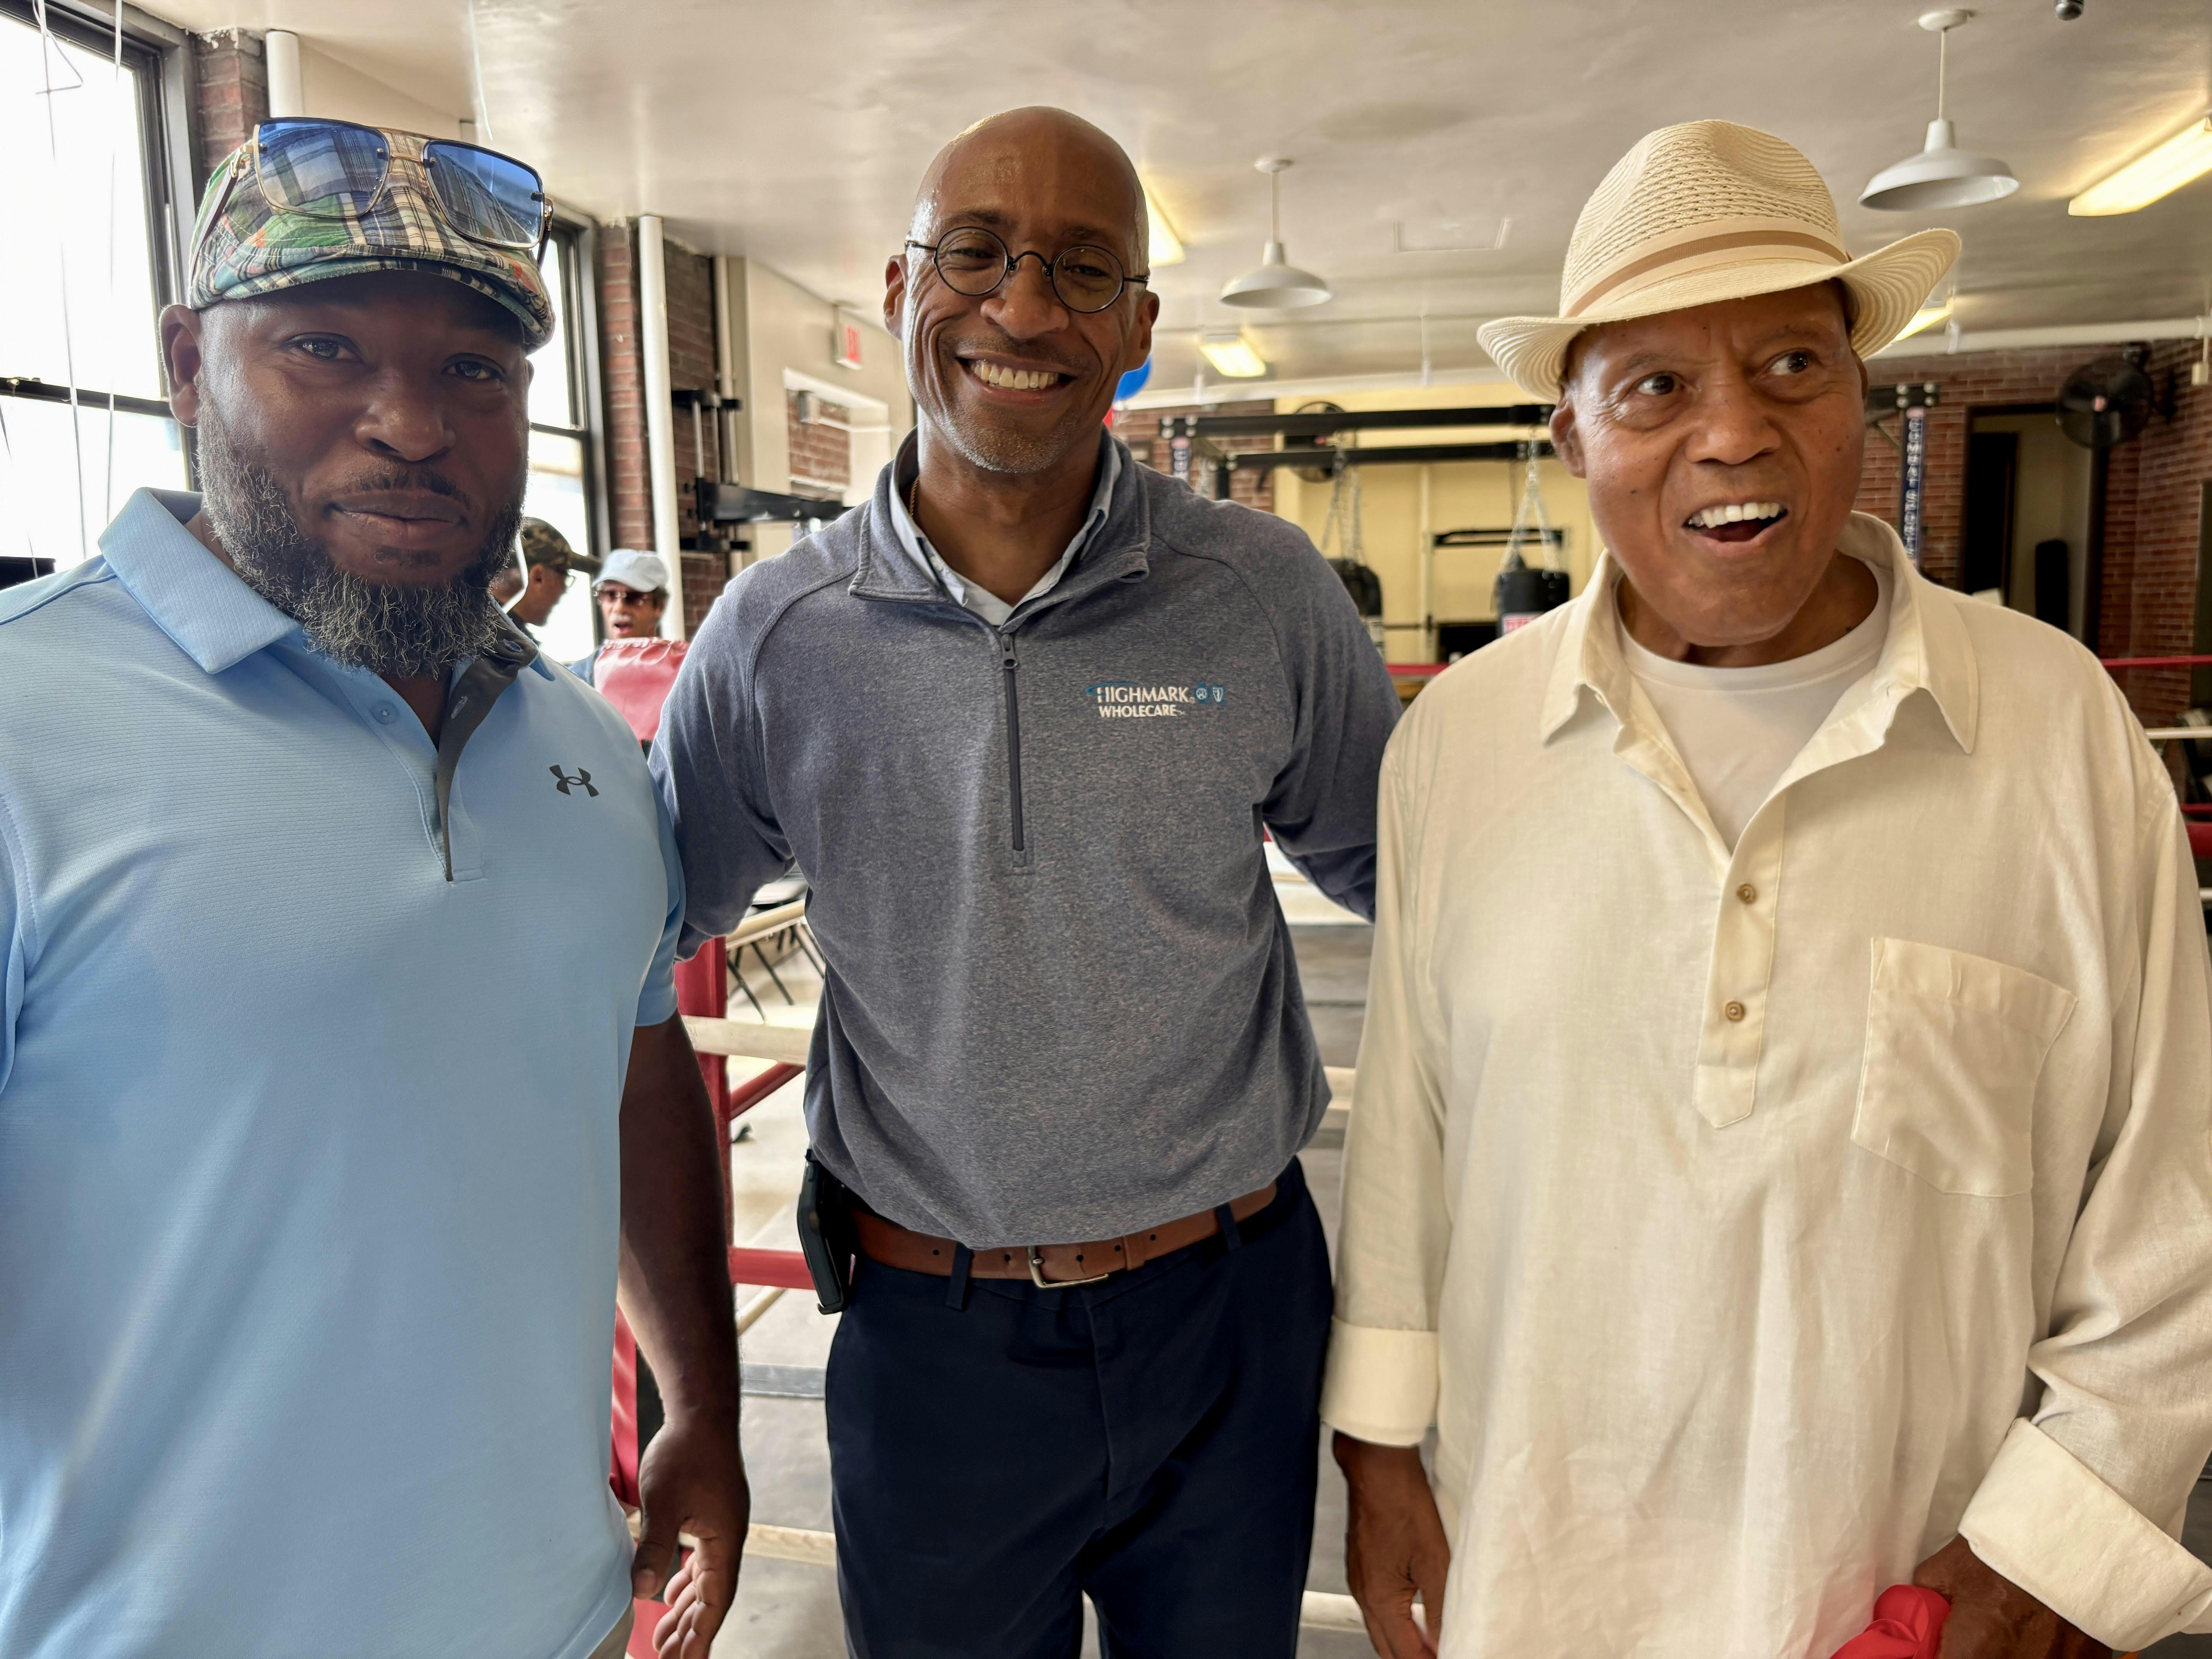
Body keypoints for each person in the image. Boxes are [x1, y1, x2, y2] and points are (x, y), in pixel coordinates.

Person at [1326, 120, 2212, 1659]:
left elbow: (2173, 1207)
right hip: (1538, 1559)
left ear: (1864, 396)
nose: (1732, 433)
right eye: (1656, 386)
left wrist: (2057, 1548)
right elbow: (1410, 1136)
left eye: (1793, 366)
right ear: (1575, 438)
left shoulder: (2057, 735)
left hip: (1901, 1591)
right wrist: (1381, 1452)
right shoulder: (1464, 745)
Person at [650, 106, 1399, 1656]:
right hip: (938, 1337)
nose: (1020, 306)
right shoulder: (779, 640)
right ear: (896, 288)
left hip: (1231, 1312)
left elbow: (1420, 881)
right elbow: (629, 942)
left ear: (1137, 326)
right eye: (975, 253)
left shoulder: (1261, 596)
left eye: (1080, 268)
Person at [0, 122, 746, 1659]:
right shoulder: (26, 731)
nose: (412, 424)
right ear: (185, 360)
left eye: (479, 369)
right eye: (325, 347)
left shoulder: (583, 753)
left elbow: (635, 1056)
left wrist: (700, 1412)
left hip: (555, 1616)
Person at [570, 547, 670, 684]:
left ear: (660, 606)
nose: (619, 608)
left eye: (634, 597)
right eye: (611, 595)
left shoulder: (679, 674)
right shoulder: (578, 678)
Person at [492, 515, 592, 632]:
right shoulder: (510, 644)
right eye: (565, 576)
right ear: (538, 577)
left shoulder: (475, 629)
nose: (565, 589)